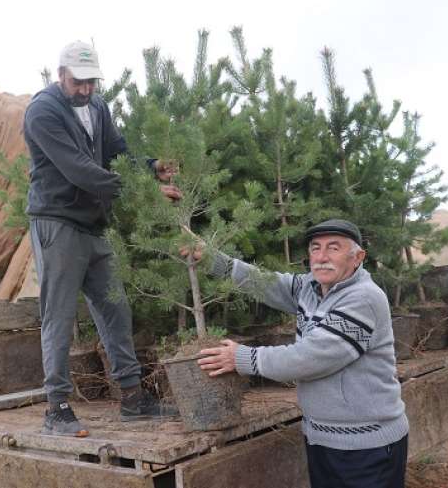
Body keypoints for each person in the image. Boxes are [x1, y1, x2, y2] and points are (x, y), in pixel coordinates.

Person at [24, 40, 180, 437]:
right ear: (61, 75)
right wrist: (140, 191)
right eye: (79, 82)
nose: (86, 89)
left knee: (115, 308)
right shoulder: (43, 112)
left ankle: (133, 399)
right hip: (58, 223)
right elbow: (79, 170)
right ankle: (57, 409)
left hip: (94, 225)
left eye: (92, 81)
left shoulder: (97, 107)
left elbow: (116, 153)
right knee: (58, 316)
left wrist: (150, 168)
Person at [192, 219, 409, 488]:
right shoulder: (310, 286)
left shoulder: (363, 298)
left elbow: (310, 358)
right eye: (315, 248)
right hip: (323, 438)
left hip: (367, 445)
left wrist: (243, 358)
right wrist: (214, 260)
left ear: (357, 257)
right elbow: (266, 283)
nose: (322, 257)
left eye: (334, 248)